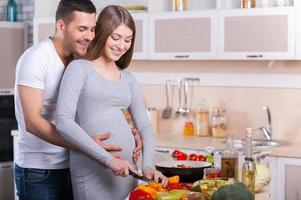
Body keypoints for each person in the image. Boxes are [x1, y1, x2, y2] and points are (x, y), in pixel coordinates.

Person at [14, 1, 142, 199]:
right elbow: (32, 122)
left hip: (75, 165)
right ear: (61, 26)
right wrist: (86, 145)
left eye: (92, 29)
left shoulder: (80, 60)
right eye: (82, 29)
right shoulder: (36, 59)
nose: (90, 36)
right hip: (40, 171)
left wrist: (129, 131)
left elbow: (93, 106)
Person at [55, 5, 167, 200]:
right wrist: (108, 160)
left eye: (128, 40)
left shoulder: (128, 78)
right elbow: (63, 121)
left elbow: (144, 126)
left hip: (127, 173)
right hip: (92, 170)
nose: (121, 45)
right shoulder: (79, 69)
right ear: (102, 33)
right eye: (115, 37)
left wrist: (148, 166)